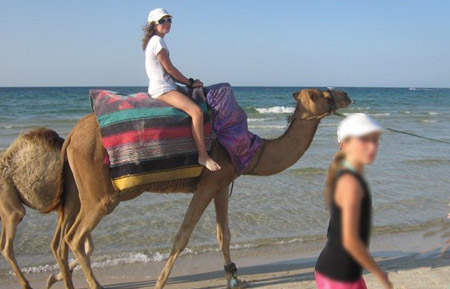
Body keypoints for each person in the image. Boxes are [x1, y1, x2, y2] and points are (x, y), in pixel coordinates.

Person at [315, 113, 393, 289]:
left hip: (341, 272)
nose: (372, 146)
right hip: (338, 276)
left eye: (375, 139)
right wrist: (380, 274)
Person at [142, 8, 221, 171]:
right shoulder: (157, 42)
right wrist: (190, 82)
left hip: (167, 84)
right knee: (197, 112)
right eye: (162, 21)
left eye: (169, 20)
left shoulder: (157, 41)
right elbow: (170, 69)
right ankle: (203, 156)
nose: (167, 23)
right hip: (162, 88)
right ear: (154, 25)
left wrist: (187, 84)